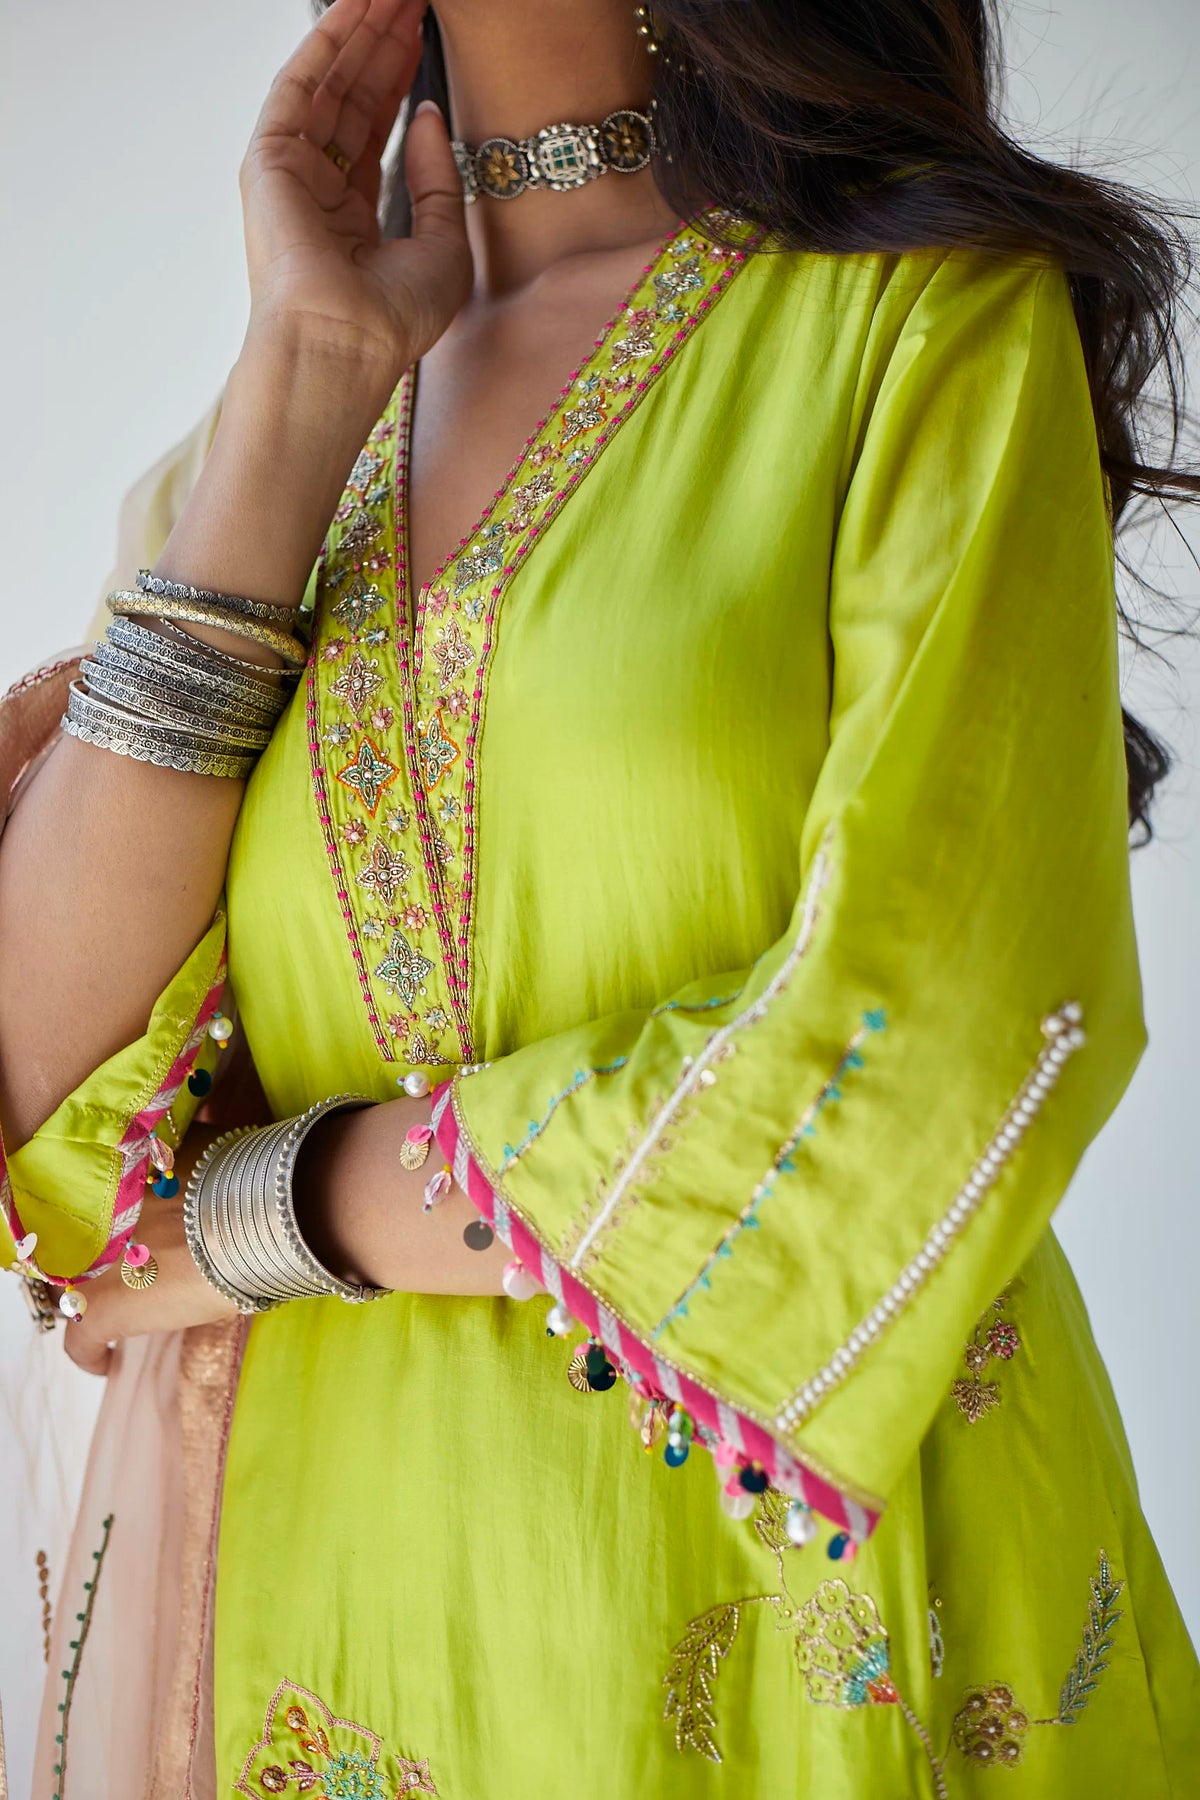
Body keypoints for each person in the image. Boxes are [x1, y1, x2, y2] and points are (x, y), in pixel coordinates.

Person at [1, 0, 1197, 1793]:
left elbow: (944, 1036)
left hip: (797, 1600)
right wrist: (304, 382)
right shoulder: (254, 457)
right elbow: (56, 1146)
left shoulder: (919, 324)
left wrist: (280, 1208)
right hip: (320, 1608)